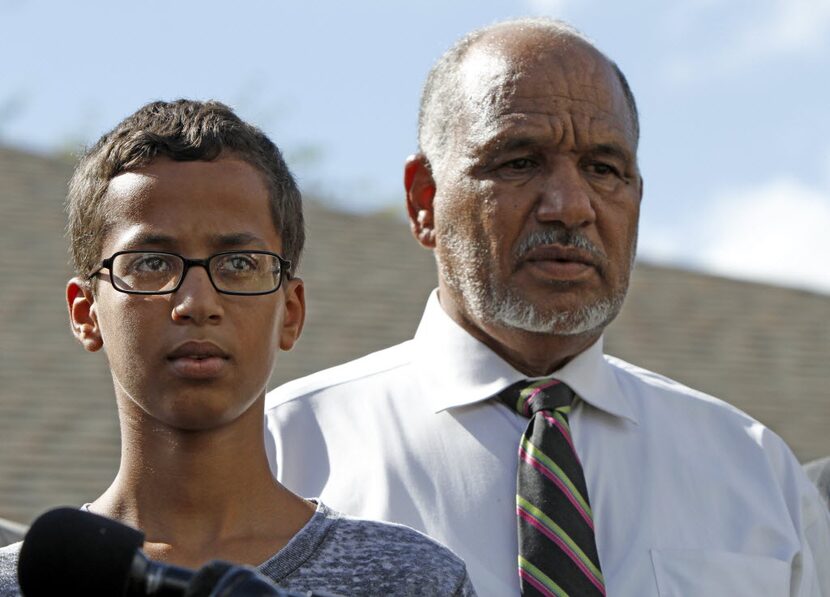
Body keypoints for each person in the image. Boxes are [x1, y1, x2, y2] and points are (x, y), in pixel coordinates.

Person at [265, 18, 830, 596]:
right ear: (424, 200)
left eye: (604, 169)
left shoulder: (758, 474)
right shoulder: (283, 456)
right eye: (519, 163)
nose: (569, 206)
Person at [0, 100, 475, 597]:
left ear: (290, 313)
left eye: (240, 264)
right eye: (151, 263)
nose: (196, 302)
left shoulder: (410, 579)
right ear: (85, 313)